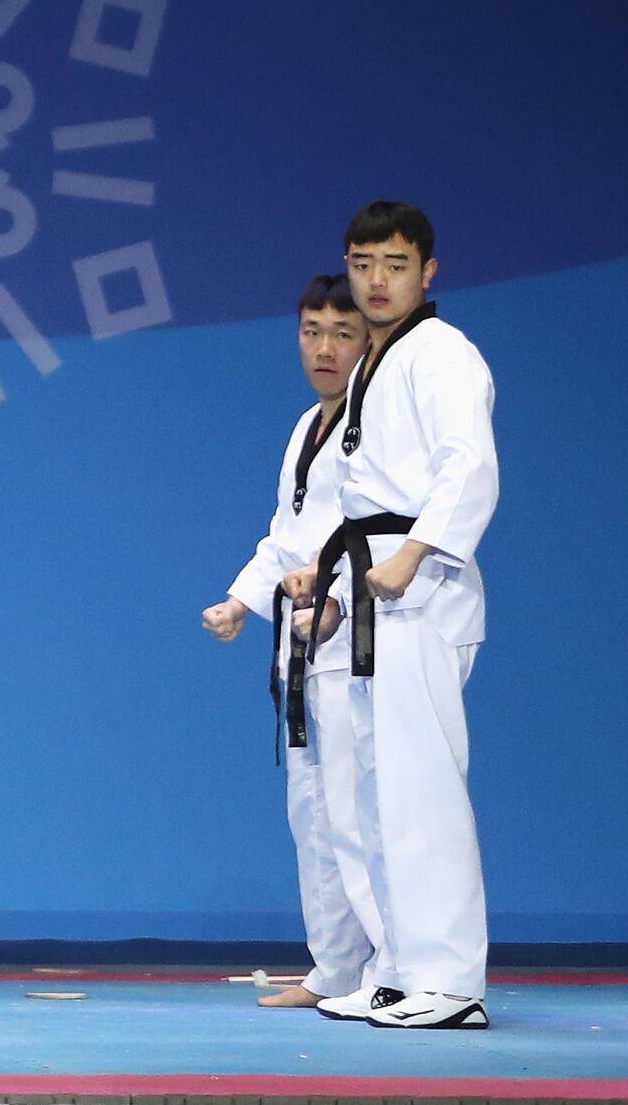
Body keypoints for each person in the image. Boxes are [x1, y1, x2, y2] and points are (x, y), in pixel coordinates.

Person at [283, 200, 500, 1031]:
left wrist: (417, 550)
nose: (376, 280)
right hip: (376, 592)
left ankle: (451, 981)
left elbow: (468, 466)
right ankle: (404, 970)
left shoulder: (441, 353)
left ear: (428, 271)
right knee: (378, 798)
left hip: (421, 586)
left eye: (395, 264)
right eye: (363, 262)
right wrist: (340, 595)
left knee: (422, 792)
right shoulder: (380, 360)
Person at [198, 276, 370, 1012]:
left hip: (358, 640)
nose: (324, 348)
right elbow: (285, 538)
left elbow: (380, 533)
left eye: (341, 331)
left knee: (365, 813)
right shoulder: (307, 427)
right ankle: (335, 967)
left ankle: (392, 969)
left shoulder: (380, 427)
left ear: (369, 339)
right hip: (302, 647)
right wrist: (240, 599)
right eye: (311, 330)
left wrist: (336, 599)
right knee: (314, 813)